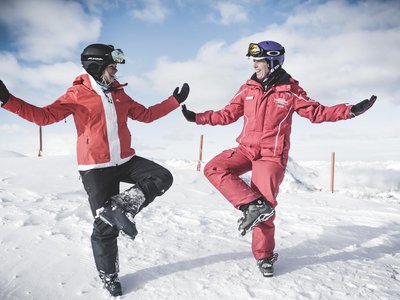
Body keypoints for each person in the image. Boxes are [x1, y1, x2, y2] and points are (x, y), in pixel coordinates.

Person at [0, 43, 190, 296]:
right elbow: (43, 117)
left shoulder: (119, 93)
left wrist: (174, 101)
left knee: (162, 175)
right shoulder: (76, 94)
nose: (116, 72)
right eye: (112, 67)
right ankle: (109, 275)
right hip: (95, 167)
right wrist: (7, 100)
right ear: (96, 65)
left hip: (124, 159)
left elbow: (145, 115)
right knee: (105, 228)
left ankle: (122, 207)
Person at [181, 40, 376, 278]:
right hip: (246, 149)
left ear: (273, 62)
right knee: (215, 168)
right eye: (254, 61)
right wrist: (197, 117)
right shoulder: (247, 88)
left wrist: (349, 110)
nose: (254, 65)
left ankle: (264, 256)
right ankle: (251, 205)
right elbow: (227, 114)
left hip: (271, 156)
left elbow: (316, 112)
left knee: (265, 205)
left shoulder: (290, 90)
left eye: (259, 61)